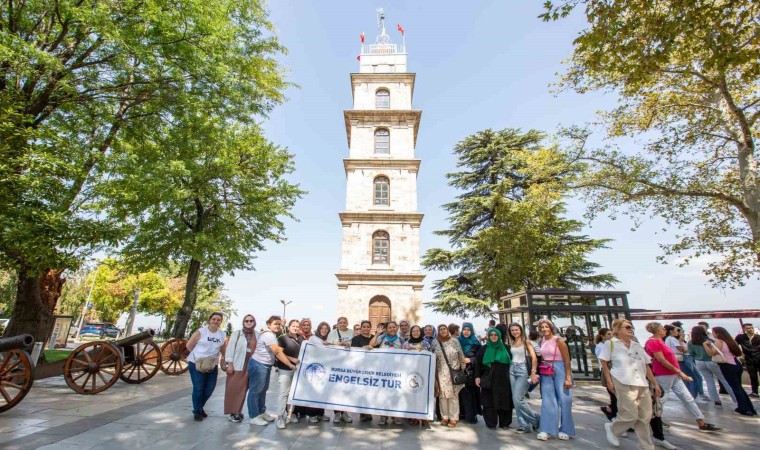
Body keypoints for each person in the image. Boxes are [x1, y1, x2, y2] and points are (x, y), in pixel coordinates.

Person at [644, 322, 722, 433]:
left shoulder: (660, 341)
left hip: (672, 374)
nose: (665, 330)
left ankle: (701, 423)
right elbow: (661, 360)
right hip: (664, 374)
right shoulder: (653, 342)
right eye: (662, 328)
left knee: (687, 398)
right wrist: (680, 372)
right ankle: (652, 421)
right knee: (661, 399)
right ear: (656, 330)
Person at [599, 319, 660, 450]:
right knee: (630, 414)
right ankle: (613, 428)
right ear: (618, 329)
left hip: (642, 383)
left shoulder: (636, 345)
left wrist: (655, 383)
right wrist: (609, 381)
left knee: (645, 417)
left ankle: (647, 446)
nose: (630, 329)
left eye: (631, 327)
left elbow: (646, 365)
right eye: (627, 327)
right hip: (623, 381)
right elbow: (604, 363)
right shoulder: (611, 344)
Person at [248, 315, 298, 426]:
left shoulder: (273, 335)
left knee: (262, 390)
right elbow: (277, 352)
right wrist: (290, 364)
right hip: (258, 365)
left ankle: (261, 412)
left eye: (279, 324)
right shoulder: (268, 335)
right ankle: (253, 415)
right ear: (269, 324)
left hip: (265, 366)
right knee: (255, 391)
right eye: (275, 324)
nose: (278, 326)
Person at [535, 319, 575, 441]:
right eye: (542, 327)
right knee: (547, 400)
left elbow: (567, 360)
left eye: (546, 327)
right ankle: (547, 428)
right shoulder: (541, 341)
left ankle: (565, 429)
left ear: (551, 328)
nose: (544, 329)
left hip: (560, 368)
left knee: (565, 400)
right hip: (546, 370)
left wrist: (568, 377)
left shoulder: (559, 341)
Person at [707, 327, 757, 416]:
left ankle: (744, 409)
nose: (712, 334)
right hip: (736, 364)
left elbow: (712, 353)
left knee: (735, 388)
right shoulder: (729, 341)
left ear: (717, 333)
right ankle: (750, 408)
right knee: (739, 388)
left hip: (727, 365)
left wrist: (705, 345)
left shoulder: (719, 342)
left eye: (713, 332)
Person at [186, 312, 226, 421]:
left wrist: (225, 360)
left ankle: (199, 407)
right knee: (199, 388)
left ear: (221, 322)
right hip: (196, 364)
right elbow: (189, 346)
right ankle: (197, 411)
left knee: (210, 388)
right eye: (214, 319)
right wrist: (199, 356)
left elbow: (223, 349)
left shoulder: (222, 334)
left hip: (212, 365)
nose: (216, 321)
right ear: (210, 319)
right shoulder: (201, 332)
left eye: (218, 320)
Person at [474, 327, 513, 430]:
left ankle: (505, 423)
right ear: (488, 336)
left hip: (504, 379)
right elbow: (477, 363)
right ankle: (491, 423)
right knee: (489, 402)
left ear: (499, 336)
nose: (493, 337)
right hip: (489, 379)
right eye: (491, 335)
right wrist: (477, 377)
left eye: (496, 335)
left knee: (505, 401)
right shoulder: (484, 349)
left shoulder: (506, 348)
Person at [689, 326, 735, 406]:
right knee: (723, 380)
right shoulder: (709, 341)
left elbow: (691, 354)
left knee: (709, 381)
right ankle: (735, 398)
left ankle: (716, 400)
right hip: (712, 361)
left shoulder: (690, 342)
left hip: (699, 362)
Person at [224, 314, 257, 423]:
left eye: (251, 321)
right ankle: (233, 412)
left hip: (251, 366)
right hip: (237, 365)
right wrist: (230, 363)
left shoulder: (257, 335)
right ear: (243, 322)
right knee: (234, 389)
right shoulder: (237, 334)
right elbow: (230, 348)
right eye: (246, 321)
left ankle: (238, 410)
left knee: (244, 390)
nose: (249, 322)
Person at [507, 323, 540, 433]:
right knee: (515, 399)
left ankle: (535, 418)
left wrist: (533, 372)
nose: (514, 332)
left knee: (518, 398)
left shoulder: (526, 342)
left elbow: (534, 358)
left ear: (521, 330)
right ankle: (524, 425)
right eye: (512, 330)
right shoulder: (512, 342)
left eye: (516, 330)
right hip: (512, 369)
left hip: (523, 370)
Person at [433, 323, 467, 427]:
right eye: (441, 329)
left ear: (447, 330)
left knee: (453, 396)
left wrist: (463, 368)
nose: (443, 331)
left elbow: (461, 354)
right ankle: (445, 417)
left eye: (444, 329)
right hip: (441, 373)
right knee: (443, 396)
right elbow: (432, 356)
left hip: (454, 372)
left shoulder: (454, 341)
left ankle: (453, 418)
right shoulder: (435, 342)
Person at [299, 321, 331, 423]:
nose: (324, 330)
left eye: (326, 329)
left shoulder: (328, 339)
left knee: (322, 392)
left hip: (324, 369)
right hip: (315, 369)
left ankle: (320, 413)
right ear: (319, 329)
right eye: (322, 328)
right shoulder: (313, 338)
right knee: (313, 391)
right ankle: (312, 414)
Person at [275, 320, 304, 429]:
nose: (295, 328)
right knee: (284, 393)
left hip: (297, 370)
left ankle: (291, 414)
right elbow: (279, 353)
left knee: (294, 393)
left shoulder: (301, 339)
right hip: (285, 369)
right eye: (293, 326)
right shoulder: (283, 338)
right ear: (288, 327)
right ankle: (280, 417)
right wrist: (291, 359)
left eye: (297, 326)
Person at [327, 316, 354, 424]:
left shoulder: (352, 332)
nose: (343, 324)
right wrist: (338, 344)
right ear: (337, 324)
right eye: (340, 322)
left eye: (344, 322)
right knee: (335, 389)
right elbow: (327, 345)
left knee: (346, 389)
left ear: (347, 323)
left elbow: (356, 345)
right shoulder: (333, 333)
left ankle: (345, 412)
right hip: (336, 364)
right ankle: (337, 413)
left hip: (348, 364)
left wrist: (348, 344)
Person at [458, 322, 482, 425]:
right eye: (464, 330)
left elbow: (480, 357)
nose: (466, 332)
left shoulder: (476, 343)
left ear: (471, 331)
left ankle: (472, 415)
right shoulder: (457, 341)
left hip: (472, 372)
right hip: (460, 372)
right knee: (461, 393)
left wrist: (471, 360)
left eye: (468, 330)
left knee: (472, 394)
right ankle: (462, 414)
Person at [664, 325, 697, 398]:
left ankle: (690, 393)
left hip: (674, 358)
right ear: (671, 332)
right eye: (676, 331)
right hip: (679, 358)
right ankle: (692, 394)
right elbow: (681, 349)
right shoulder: (672, 339)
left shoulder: (667, 339)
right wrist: (686, 348)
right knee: (690, 375)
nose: (677, 333)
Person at [594, 327, 617, 421]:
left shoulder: (613, 344)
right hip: (607, 371)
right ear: (602, 336)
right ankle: (614, 416)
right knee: (614, 396)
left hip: (615, 371)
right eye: (608, 334)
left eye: (611, 334)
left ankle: (613, 412)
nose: (611, 336)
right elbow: (603, 362)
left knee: (618, 396)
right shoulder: (600, 346)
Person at [735, 323, 760, 398]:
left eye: (751, 327)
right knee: (753, 376)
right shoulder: (741, 337)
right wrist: (739, 353)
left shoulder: (758, 337)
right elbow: (735, 344)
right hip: (749, 360)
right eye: (748, 328)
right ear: (744, 329)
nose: (751, 329)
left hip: (759, 358)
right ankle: (755, 392)